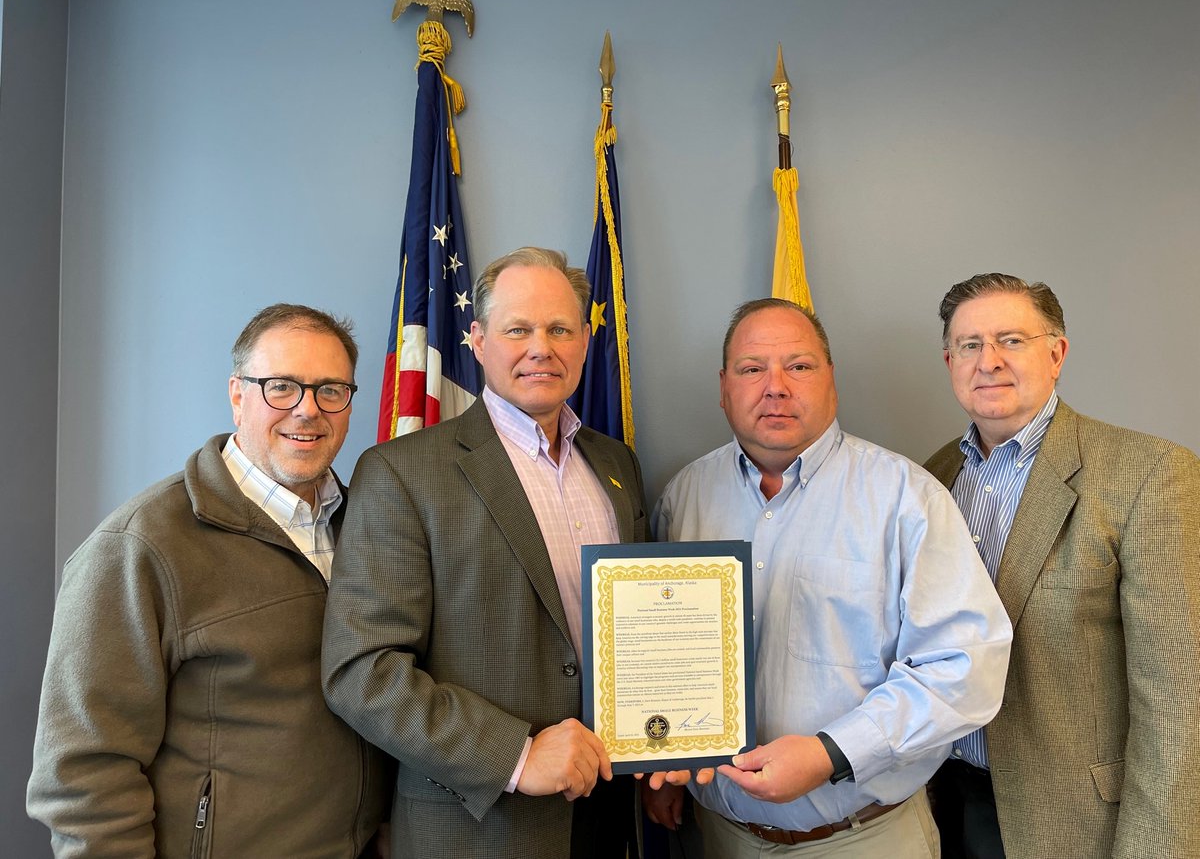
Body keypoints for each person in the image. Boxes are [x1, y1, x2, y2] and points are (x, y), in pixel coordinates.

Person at [646, 297, 1012, 858]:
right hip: (720, 837)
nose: (775, 386)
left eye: (799, 366)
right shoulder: (684, 498)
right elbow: (660, 655)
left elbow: (964, 669)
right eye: (752, 369)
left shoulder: (905, 499)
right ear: (724, 387)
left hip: (864, 838)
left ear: (831, 380)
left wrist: (829, 753)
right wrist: (660, 756)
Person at [27, 304, 391, 858]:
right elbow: (81, 774)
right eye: (281, 387)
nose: (307, 410)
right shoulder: (139, 545)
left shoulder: (370, 523)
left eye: (330, 390)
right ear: (237, 394)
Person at [322, 247, 649, 859]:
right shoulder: (402, 472)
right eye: (517, 329)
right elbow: (360, 672)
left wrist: (677, 738)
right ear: (476, 339)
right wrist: (518, 756)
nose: (540, 348)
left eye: (559, 329)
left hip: (610, 809)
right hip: (477, 826)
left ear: (584, 341)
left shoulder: (617, 468)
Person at [926, 272, 1200, 859]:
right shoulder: (934, 476)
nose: (989, 361)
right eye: (970, 345)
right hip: (943, 804)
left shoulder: (1148, 473)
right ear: (950, 360)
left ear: (1057, 353)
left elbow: (1179, 701)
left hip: (1076, 823)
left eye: (1011, 340)